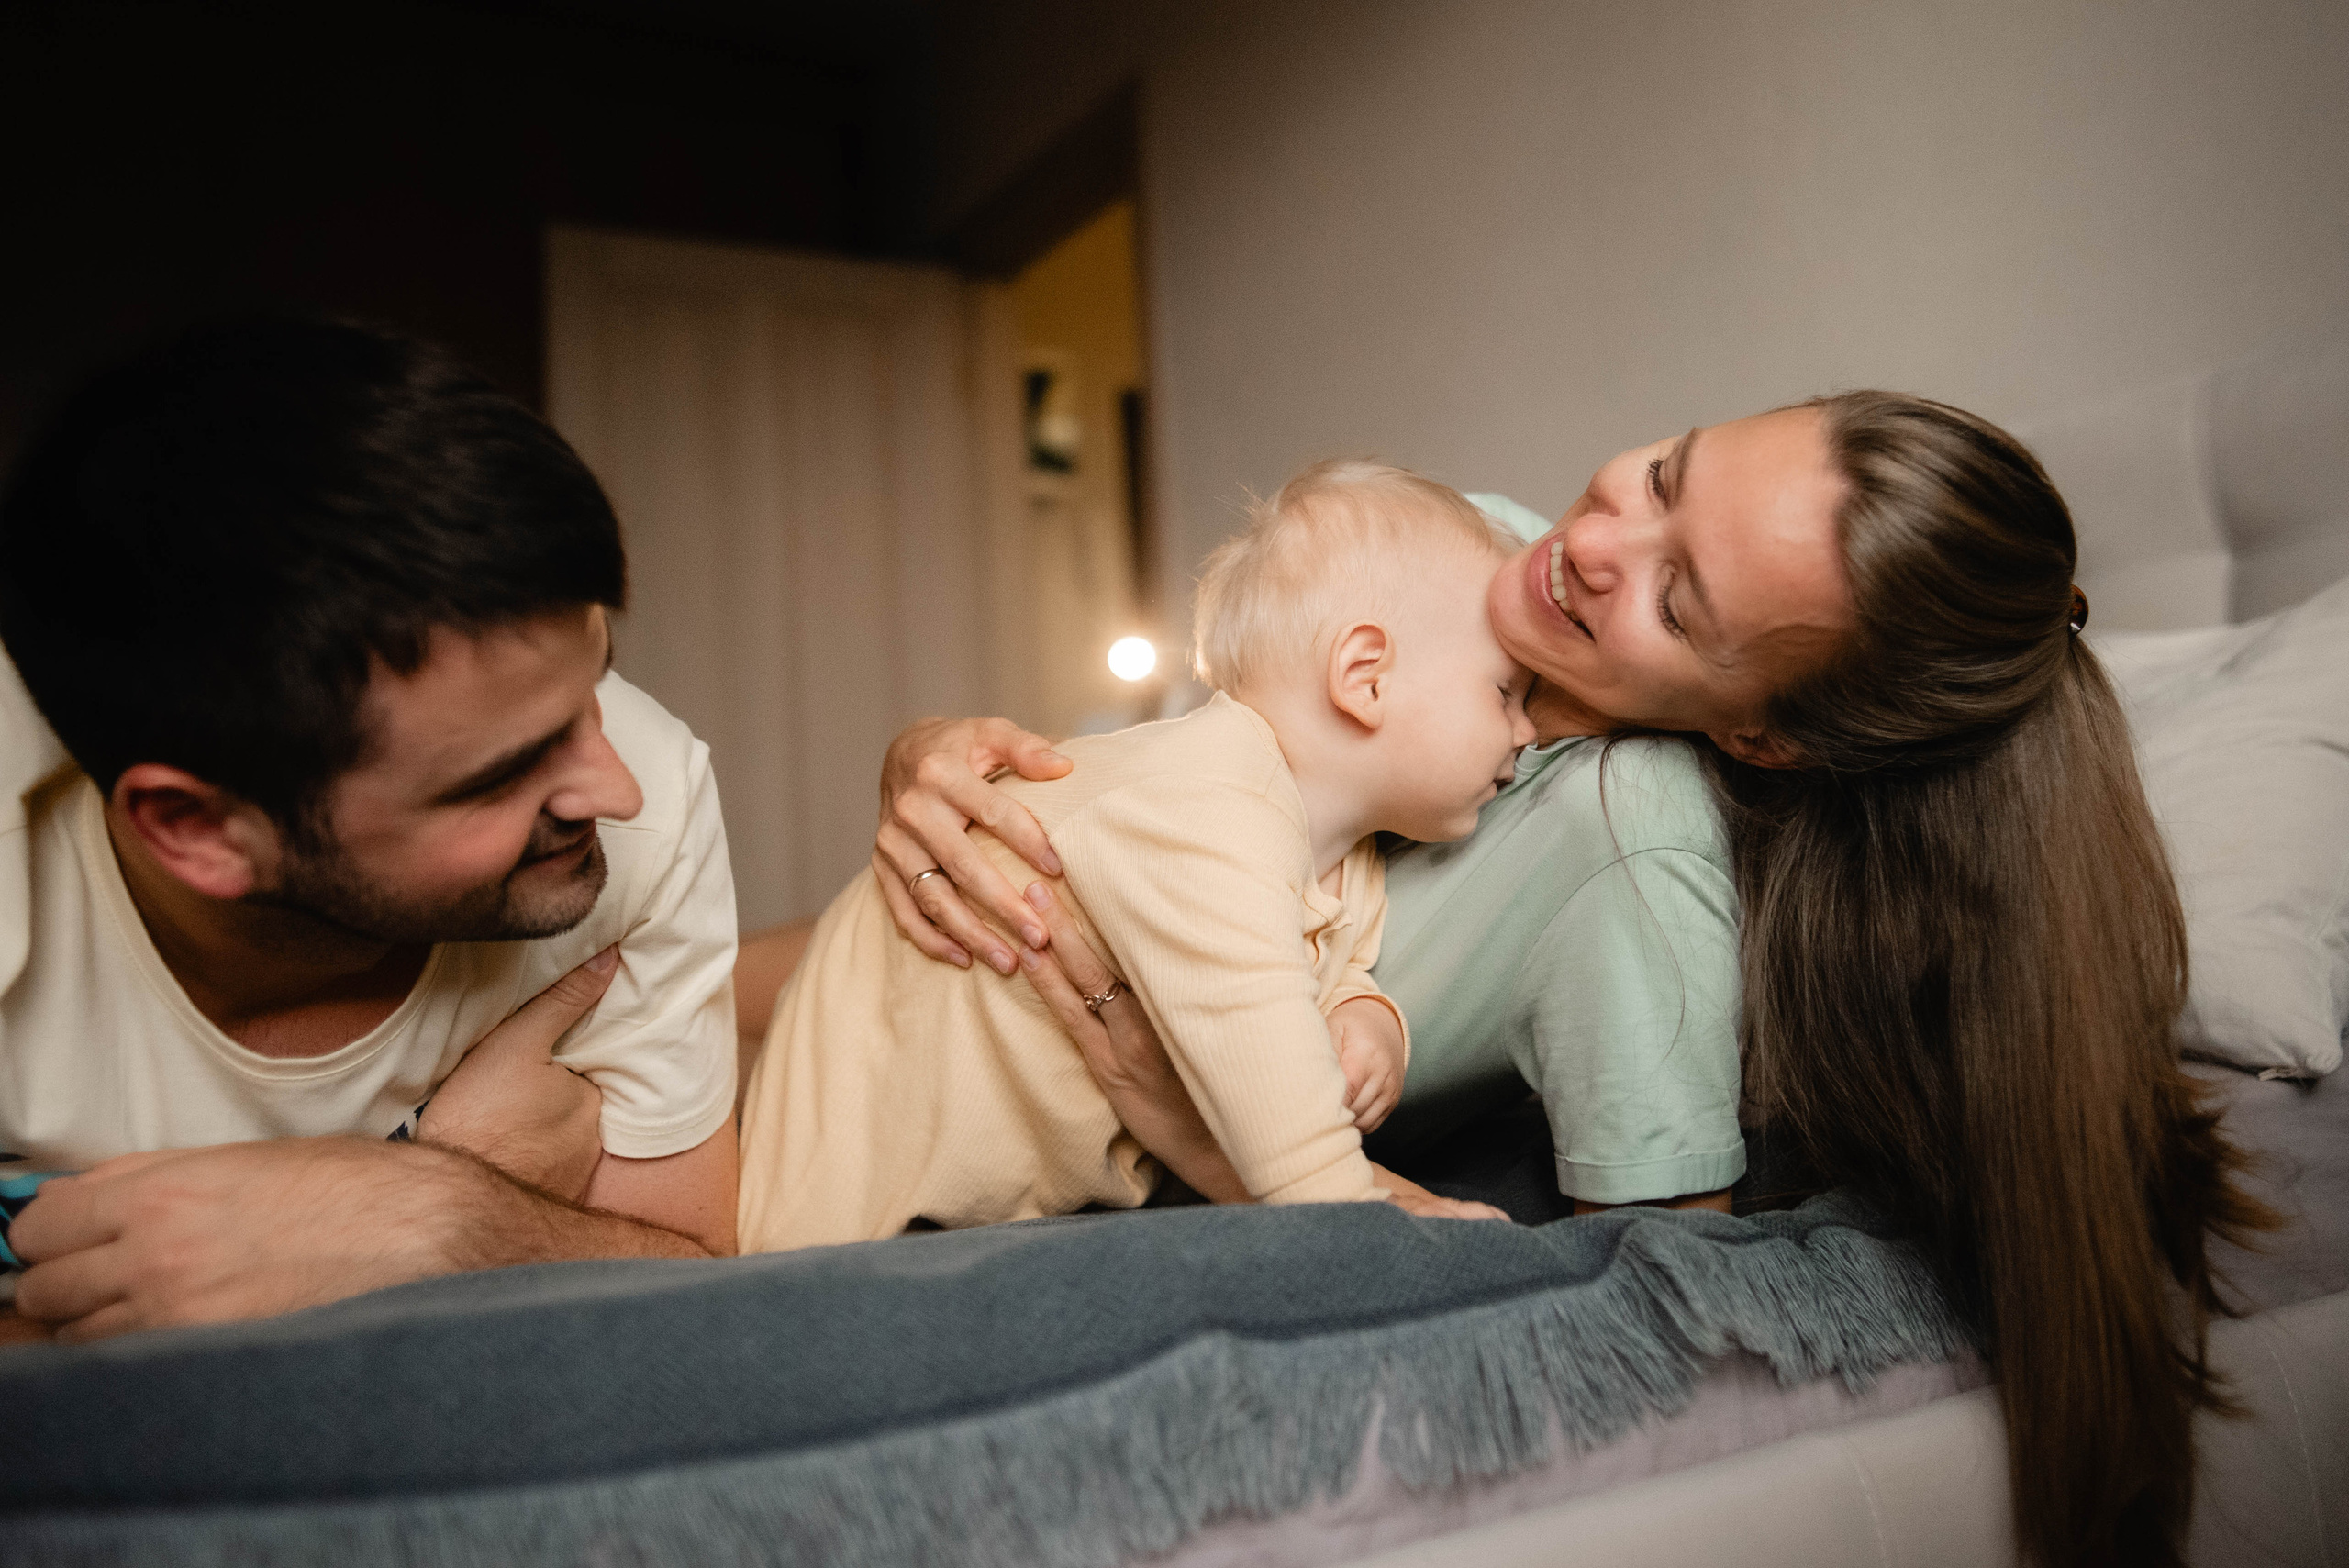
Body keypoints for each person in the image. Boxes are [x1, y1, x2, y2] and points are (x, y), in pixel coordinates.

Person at [833, 395, 2270, 1568]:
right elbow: (1189, 738)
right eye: (1662, 473)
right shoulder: (1486, 550)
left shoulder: (1632, 869)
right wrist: (939, 754)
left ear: (1764, 738)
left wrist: (1197, 1122)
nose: (1592, 541)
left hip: (1004, 1074)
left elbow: (1639, 1331)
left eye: (1677, 591)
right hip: (956, 935)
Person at [0, 318, 743, 1345]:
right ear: (199, 827)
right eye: (500, 775)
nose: (613, 789)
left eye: (596, 684)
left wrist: (442, 1216)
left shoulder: (648, 807)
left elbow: (701, 1303)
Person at [736, 462, 1525, 1251]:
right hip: (849, 1156)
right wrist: (1371, 1216)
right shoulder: (1206, 801)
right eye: (1504, 693)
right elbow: (1276, 1101)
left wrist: (1369, 1017)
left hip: (979, 1197)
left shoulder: (1347, 854)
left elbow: (1330, 966)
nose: (1526, 732)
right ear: (1365, 677)